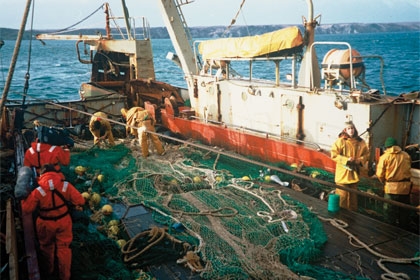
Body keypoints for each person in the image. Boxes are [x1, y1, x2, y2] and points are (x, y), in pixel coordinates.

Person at [21, 164, 85, 280]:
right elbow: (80, 200)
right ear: (55, 173)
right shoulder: (66, 185)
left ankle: (48, 271)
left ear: (42, 175)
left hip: (45, 223)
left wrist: (24, 198)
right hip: (64, 221)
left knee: (46, 247)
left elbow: (27, 209)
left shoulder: (38, 191)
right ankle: (65, 276)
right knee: (64, 249)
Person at [331, 121, 369, 211]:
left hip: (354, 174)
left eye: (352, 128)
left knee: (353, 199)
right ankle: (342, 216)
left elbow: (367, 154)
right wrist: (346, 160)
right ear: (345, 130)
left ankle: (352, 217)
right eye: (349, 129)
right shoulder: (340, 141)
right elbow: (334, 155)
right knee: (342, 197)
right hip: (342, 175)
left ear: (354, 129)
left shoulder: (361, 142)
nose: (351, 130)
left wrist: (360, 160)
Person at [376, 137, 412, 228]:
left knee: (389, 212)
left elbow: (380, 174)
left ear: (387, 147)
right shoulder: (406, 155)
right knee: (404, 212)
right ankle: (404, 231)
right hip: (405, 188)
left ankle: (389, 232)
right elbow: (408, 168)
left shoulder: (384, 157)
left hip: (391, 188)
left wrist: (384, 182)